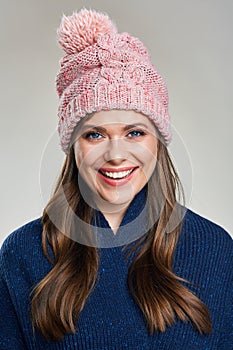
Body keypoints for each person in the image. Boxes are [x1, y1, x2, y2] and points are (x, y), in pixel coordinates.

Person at [0, 8, 232, 350]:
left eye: (135, 132)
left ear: (158, 141)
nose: (115, 154)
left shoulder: (214, 249)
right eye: (94, 135)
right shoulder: (24, 254)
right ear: (73, 147)